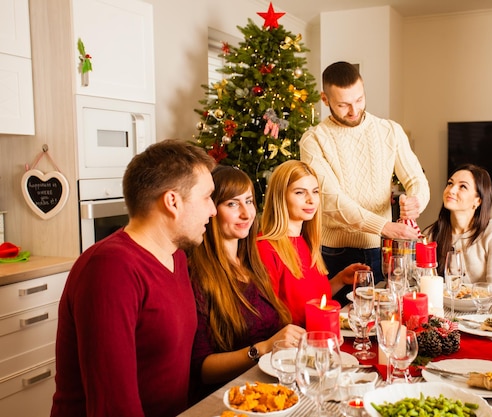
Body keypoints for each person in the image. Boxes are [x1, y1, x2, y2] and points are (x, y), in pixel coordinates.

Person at [51, 140, 217, 417]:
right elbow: (112, 407)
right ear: (172, 201)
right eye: (206, 197)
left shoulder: (176, 256)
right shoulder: (110, 269)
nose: (213, 210)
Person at [299, 61, 430, 303]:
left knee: (381, 321)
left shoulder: (389, 131)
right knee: (340, 326)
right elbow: (331, 201)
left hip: (381, 250)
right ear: (325, 100)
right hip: (334, 252)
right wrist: (384, 227)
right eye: (343, 104)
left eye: (359, 99)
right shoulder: (313, 140)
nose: (354, 110)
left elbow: (416, 178)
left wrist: (416, 200)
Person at [187, 165, 305, 404]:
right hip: (228, 401)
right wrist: (263, 348)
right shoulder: (198, 275)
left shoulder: (252, 264)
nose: (246, 213)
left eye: (249, 201)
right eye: (232, 204)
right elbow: (202, 369)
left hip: (270, 392)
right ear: (211, 210)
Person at [257, 160, 369, 326]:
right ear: (280, 197)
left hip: (319, 337)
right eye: (300, 192)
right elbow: (263, 318)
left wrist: (340, 280)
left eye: (315, 192)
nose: (311, 200)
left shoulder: (306, 242)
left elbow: (312, 302)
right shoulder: (266, 248)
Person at [423, 164, 492, 291]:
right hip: (448, 307)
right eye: (450, 183)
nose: (451, 190)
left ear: (478, 200)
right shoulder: (431, 234)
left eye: (463, 186)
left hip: (488, 306)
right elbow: (424, 285)